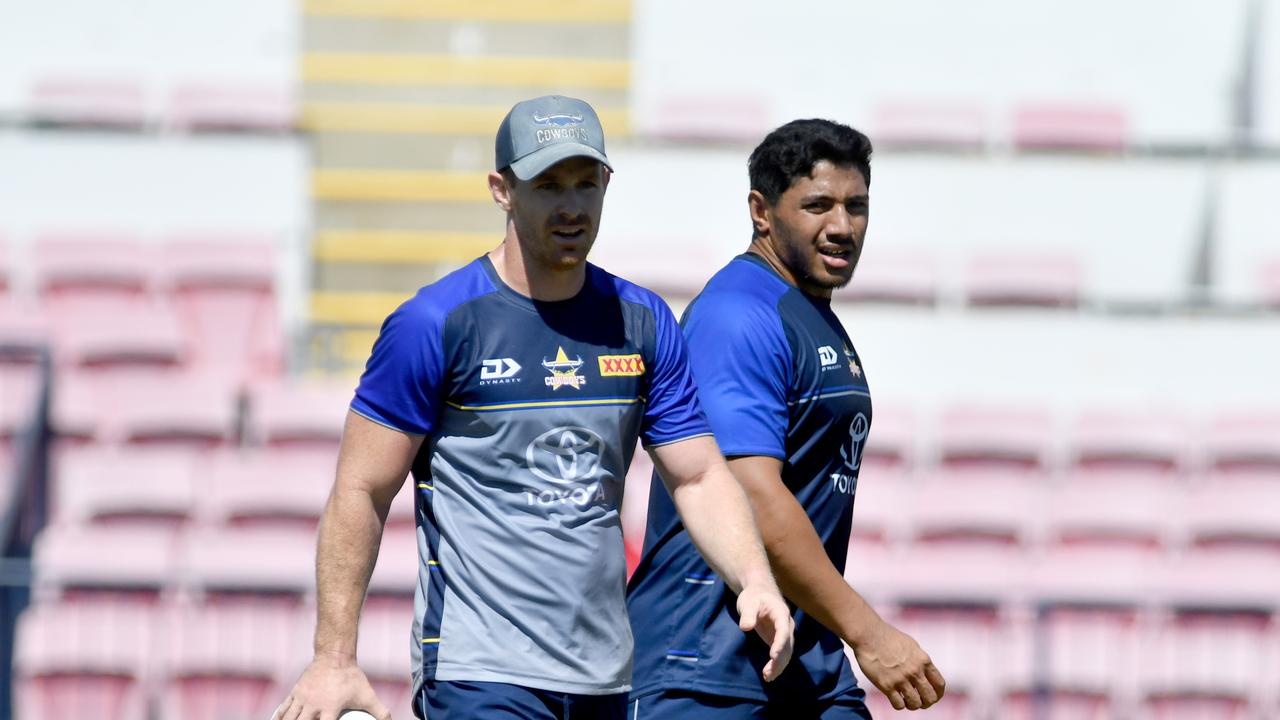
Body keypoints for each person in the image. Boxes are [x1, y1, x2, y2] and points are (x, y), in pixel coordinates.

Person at [271, 95, 795, 720]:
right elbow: (360, 490)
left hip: (604, 676)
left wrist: (755, 579)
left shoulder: (642, 321)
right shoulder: (434, 323)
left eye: (585, 184)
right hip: (478, 673)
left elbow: (700, 474)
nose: (571, 206)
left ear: (607, 184)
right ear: (502, 190)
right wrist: (335, 657)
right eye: (548, 186)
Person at [626, 119, 947, 718]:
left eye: (856, 206)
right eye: (817, 205)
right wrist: (870, 634)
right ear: (761, 211)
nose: (842, 226)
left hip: (804, 665)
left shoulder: (806, 312)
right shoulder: (737, 315)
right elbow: (752, 493)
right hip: (705, 668)